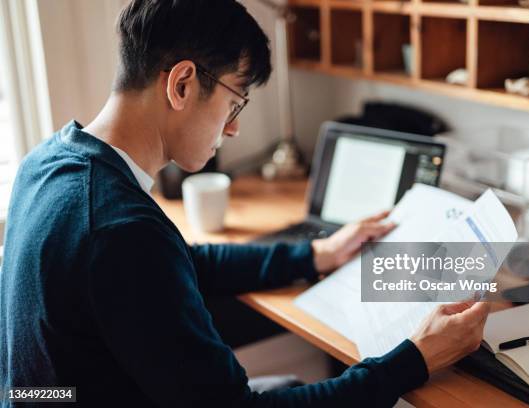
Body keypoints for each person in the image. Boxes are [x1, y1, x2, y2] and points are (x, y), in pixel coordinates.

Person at [0, 0, 490, 406]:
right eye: (236, 103)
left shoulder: (51, 161)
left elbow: (178, 265)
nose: (233, 127)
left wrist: (316, 255)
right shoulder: (121, 230)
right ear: (182, 84)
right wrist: (415, 359)